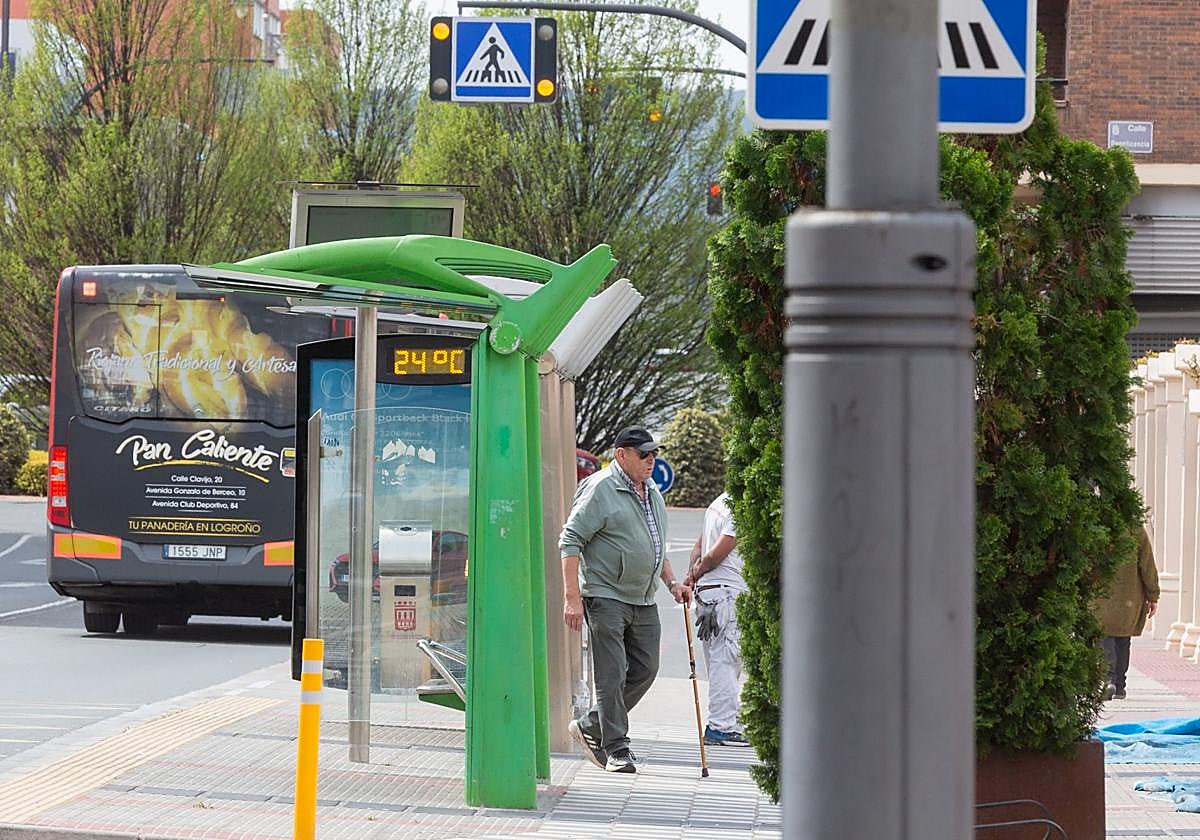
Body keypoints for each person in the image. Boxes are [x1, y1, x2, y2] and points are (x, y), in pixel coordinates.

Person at [560, 426, 691, 773]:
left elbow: (656, 544)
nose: (651, 460)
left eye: (654, 454)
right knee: (611, 672)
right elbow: (570, 540)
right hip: (605, 594)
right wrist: (572, 597)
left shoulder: (652, 492)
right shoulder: (601, 488)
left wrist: (673, 583)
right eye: (643, 454)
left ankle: (592, 726)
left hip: (643, 598)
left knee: (647, 669)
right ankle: (617, 747)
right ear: (622, 455)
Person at [683, 491, 749, 747]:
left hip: (710, 593)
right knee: (727, 660)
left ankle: (726, 718)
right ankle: (721, 726)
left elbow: (699, 546)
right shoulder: (738, 506)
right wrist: (696, 573)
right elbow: (714, 554)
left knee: (720, 659)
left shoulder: (717, 503)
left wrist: (692, 576)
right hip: (727, 593)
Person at [1097, 524, 1159, 701]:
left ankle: (1108, 679)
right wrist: (1153, 594)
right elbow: (1147, 565)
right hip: (1129, 596)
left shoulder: (1096, 524)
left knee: (1104, 635)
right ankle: (1119, 686)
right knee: (1123, 639)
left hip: (1101, 595)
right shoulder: (1135, 528)